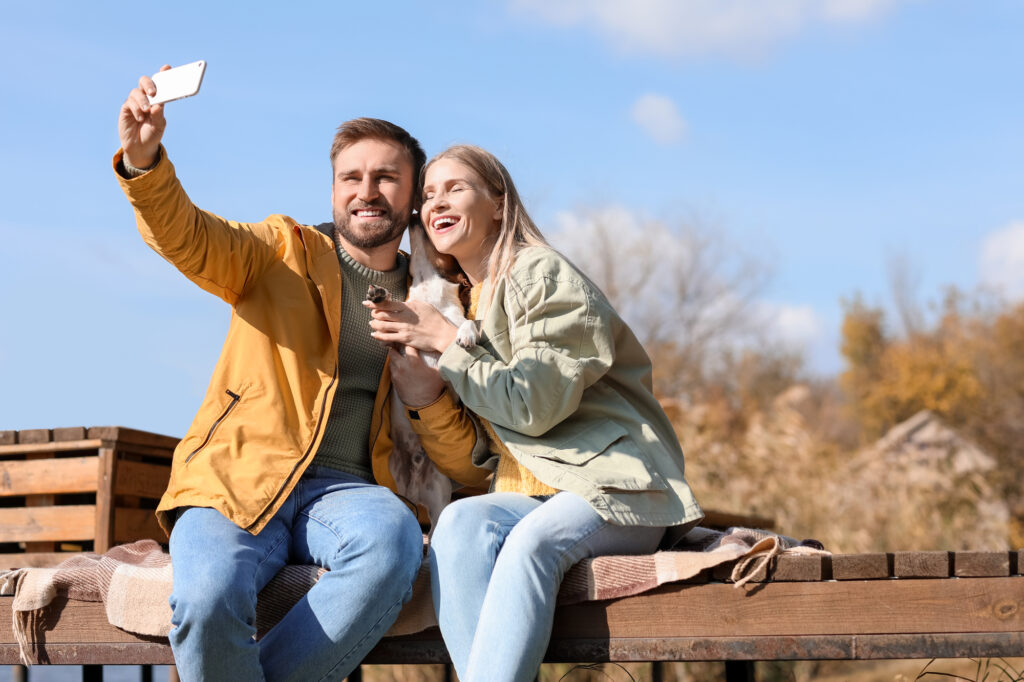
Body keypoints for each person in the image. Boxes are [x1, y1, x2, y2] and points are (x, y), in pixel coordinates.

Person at [114, 66, 444, 681]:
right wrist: (145, 162)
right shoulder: (277, 251)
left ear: (414, 194)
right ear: (333, 191)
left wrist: (429, 397)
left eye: (386, 178)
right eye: (352, 177)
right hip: (239, 478)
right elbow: (188, 235)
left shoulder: (436, 299)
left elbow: (453, 433)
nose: (366, 190)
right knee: (207, 602)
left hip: (350, 495)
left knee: (394, 542)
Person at [365, 145, 704, 681]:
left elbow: (532, 404)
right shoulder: (469, 303)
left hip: (615, 486)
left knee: (530, 546)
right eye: (428, 195)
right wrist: (424, 396)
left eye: (455, 188)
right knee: (457, 523)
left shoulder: (540, 274)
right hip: (536, 493)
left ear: (499, 204)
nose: (436, 202)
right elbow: (480, 455)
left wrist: (448, 344)